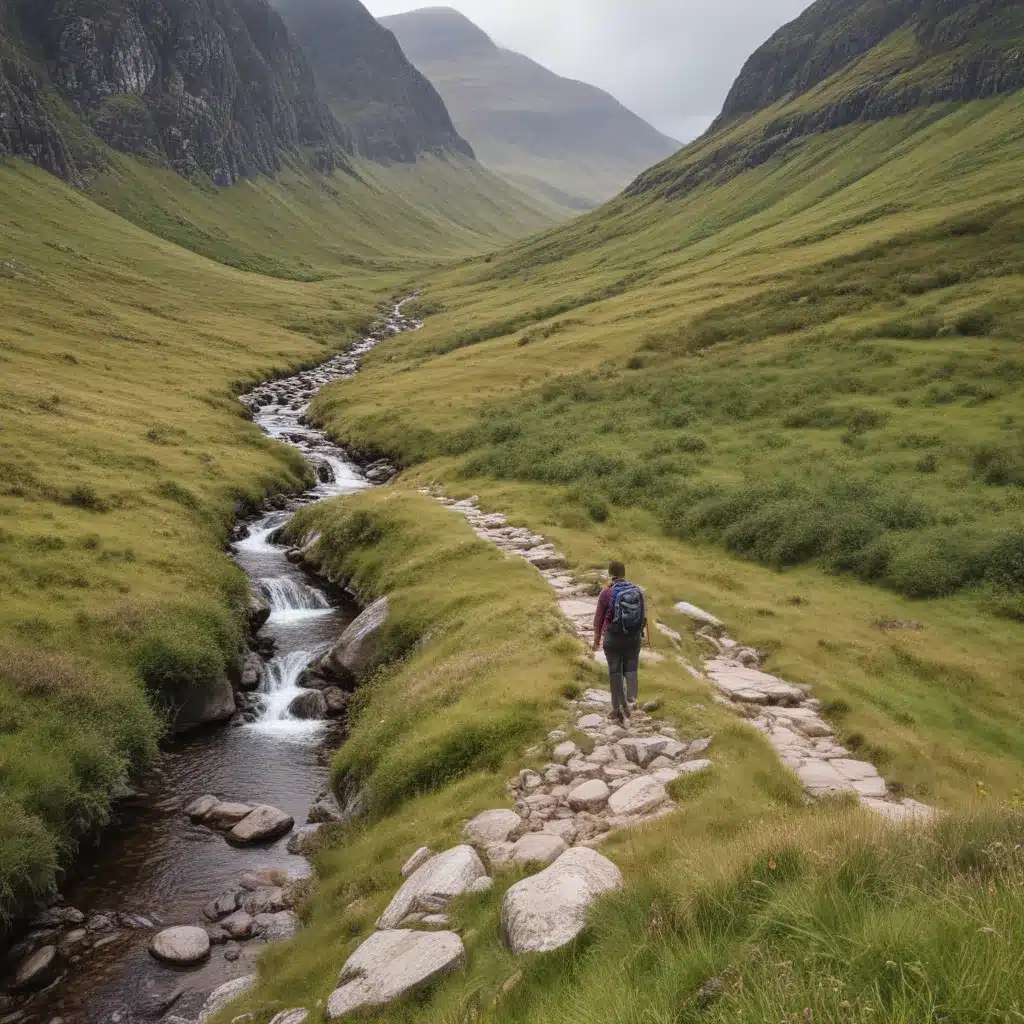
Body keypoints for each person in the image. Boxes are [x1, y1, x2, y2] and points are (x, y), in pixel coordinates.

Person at [593, 560, 647, 725]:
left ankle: (617, 709)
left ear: (610, 574)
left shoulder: (606, 593)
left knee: (615, 673)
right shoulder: (637, 590)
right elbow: (643, 617)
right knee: (630, 672)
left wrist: (596, 641)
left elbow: (598, 620)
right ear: (624, 573)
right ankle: (631, 704)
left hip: (614, 639)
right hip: (633, 638)